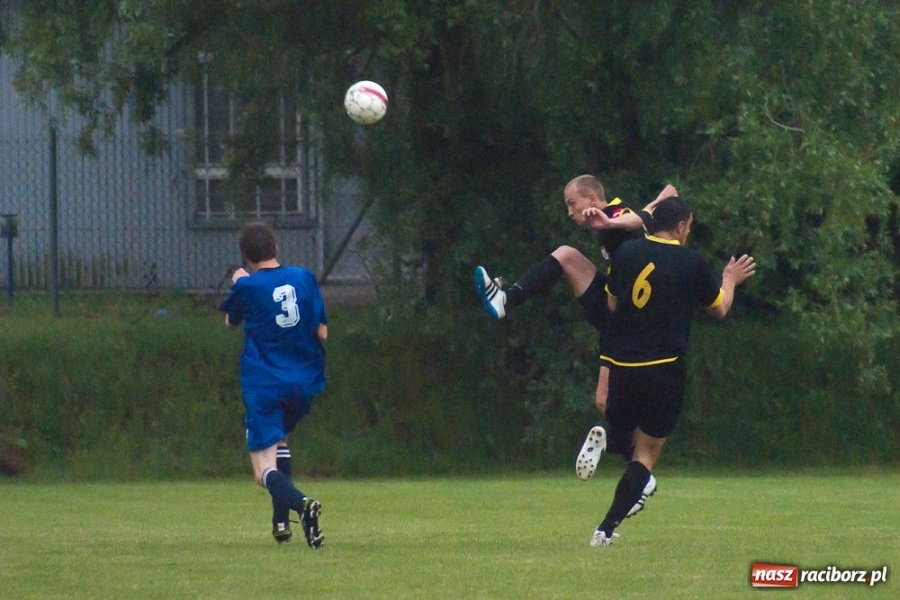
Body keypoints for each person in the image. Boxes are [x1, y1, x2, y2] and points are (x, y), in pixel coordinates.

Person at [586, 195, 756, 547]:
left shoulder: (626, 254)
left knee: (626, 431)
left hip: (622, 366)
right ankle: (604, 530)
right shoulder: (690, 261)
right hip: (663, 370)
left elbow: (613, 303)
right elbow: (720, 308)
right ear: (681, 227)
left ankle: (611, 436)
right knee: (646, 455)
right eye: (689, 227)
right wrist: (730, 278)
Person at [475, 175, 674, 424]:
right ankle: (505, 300)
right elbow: (663, 195)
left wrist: (611, 223)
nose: (569, 212)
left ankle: (626, 443)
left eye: (572, 203)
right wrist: (660, 201)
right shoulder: (619, 218)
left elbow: (632, 220)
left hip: (628, 318)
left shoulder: (615, 213)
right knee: (565, 255)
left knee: (605, 399)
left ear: (591, 199)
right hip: (615, 309)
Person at [219, 221, 328, 548]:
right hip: (303, 382)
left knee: (261, 470)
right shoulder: (304, 277)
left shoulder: (248, 286)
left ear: (247, 257)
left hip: (264, 382)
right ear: (275, 248)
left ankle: (302, 505)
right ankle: (281, 523)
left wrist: (240, 283)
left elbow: (230, 322)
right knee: (280, 441)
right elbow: (322, 332)